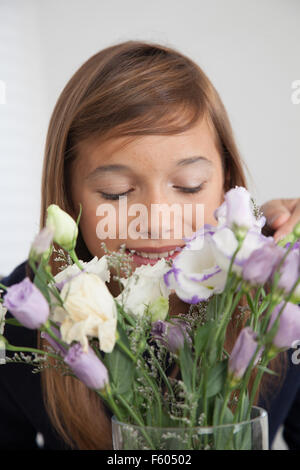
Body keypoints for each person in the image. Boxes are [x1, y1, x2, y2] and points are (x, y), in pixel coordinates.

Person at [1, 40, 300, 450]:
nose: (158, 218)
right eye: (115, 192)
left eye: (189, 186)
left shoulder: (281, 294)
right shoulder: (22, 312)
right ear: (69, 200)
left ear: (226, 183)